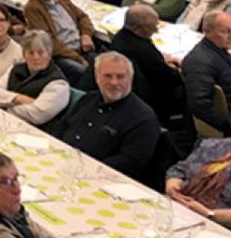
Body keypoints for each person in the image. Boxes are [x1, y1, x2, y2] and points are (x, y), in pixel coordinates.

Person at [59, 52, 160, 181]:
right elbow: (61, 128)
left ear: (130, 79)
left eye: (120, 77)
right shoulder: (87, 99)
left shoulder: (143, 118)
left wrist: (84, 167)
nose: (114, 82)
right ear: (97, 78)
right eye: (107, 76)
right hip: (63, 163)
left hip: (99, 179)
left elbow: (130, 163)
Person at [108, 4, 185, 123]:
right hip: (152, 98)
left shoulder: (120, 37)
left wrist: (160, 59)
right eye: (152, 26)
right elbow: (169, 78)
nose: (156, 30)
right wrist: (175, 68)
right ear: (139, 28)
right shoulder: (144, 49)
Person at [166, 109, 231, 229]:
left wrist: (209, 214)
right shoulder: (213, 146)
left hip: (222, 229)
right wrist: (172, 187)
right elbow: (179, 170)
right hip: (180, 209)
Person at [23, 0, 96, 82]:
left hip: (81, 46)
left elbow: (83, 17)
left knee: (105, 67)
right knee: (82, 72)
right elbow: (48, 42)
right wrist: (77, 58)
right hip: (61, 54)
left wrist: (86, 35)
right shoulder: (33, 8)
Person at [0, 30, 71, 127]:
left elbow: (37, 115)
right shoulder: (15, 69)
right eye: (31, 53)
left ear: (49, 54)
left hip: (37, 132)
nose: (36, 57)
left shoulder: (59, 84)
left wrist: (3, 105)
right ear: (24, 54)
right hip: (6, 123)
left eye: (40, 53)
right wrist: (19, 98)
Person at [183, 11, 231, 134]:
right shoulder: (200, 61)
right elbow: (200, 105)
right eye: (225, 31)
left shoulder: (220, 52)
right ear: (207, 31)